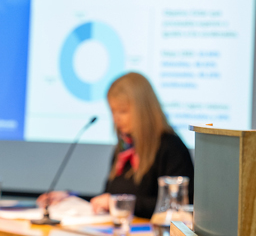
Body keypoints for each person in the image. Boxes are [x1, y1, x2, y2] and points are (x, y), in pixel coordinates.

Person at [38, 72, 194, 219]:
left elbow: (178, 207)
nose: (117, 118)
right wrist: (70, 198)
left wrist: (116, 202)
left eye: (123, 111)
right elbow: (106, 198)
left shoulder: (171, 147)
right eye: (113, 111)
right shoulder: (124, 148)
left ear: (143, 110)